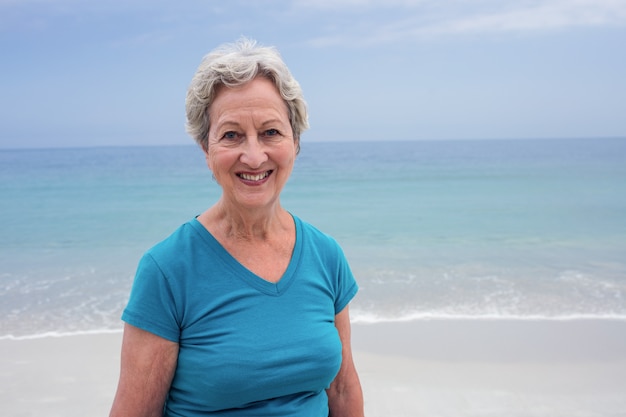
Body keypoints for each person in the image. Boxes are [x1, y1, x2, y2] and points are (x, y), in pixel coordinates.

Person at [109, 38, 364, 417]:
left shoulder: (326, 255)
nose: (254, 155)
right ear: (205, 149)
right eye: (231, 135)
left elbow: (342, 390)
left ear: (295, 142)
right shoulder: (168, 270)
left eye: (270, 132)